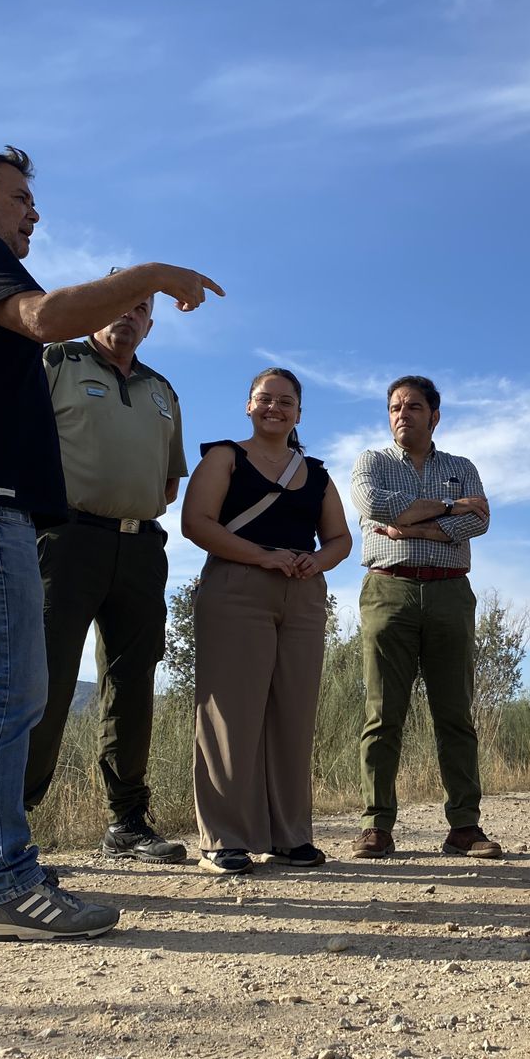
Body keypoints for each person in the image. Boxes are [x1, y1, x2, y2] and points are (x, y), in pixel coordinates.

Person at [0, 145, 221, 940]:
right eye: (21, 197)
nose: (35, 212)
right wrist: (153, 272)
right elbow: (46, 318)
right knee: (6, 695)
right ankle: (4, 882)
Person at [21, 292, 189, 865]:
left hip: (141, 547)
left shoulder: (162, 390)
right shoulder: (54, 363)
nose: (128, 314)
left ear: (150, 322)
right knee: (46, 681)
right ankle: (8, 826)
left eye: (141, 308)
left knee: (133, 684)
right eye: (119, 302)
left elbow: (170, 481)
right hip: (65, 541)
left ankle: (127, 822)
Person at [182, 368, 352, 875]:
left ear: (299, 411)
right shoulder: (224, 457)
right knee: (230, 714)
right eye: (264, 399)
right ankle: (224, 839)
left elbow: (340, 539)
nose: (274, 408)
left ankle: (290, 836)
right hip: (236, 588)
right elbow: (196, 524)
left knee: (294, 714)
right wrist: (262, 557)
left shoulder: (317, 473)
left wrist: (313, 563)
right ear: (248, 405)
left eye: (285, 401)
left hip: (302, 594)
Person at [349, 375, 502, 860]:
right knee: (382, 714)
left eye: (413, 407)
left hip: (449, 592)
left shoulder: (461, 466)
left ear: (434, 415)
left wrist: (417, 524)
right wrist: (449, 515)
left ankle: (464, 827)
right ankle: (377, 826)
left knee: (455, 713)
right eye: (395, 407)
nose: (402, 415)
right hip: (387, 589)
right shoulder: (371, 462)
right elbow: (374, 505)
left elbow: (478, 520)